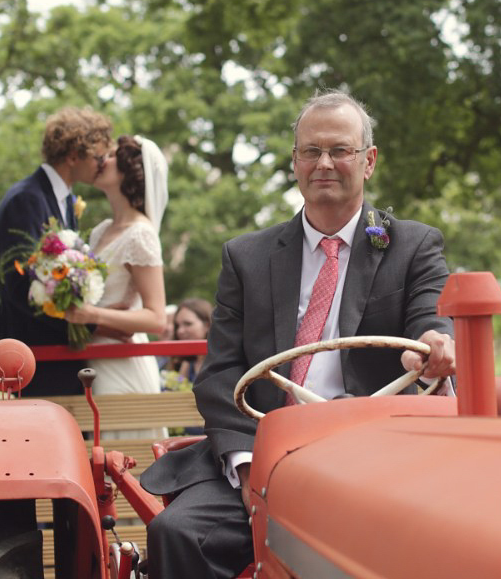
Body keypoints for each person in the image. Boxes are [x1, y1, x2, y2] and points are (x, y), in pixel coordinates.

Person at [141, 90, 457, 579]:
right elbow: (221, 371)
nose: (324, 163)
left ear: (368, 161)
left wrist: (435, 341)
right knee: (177, 533)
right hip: (268, 451)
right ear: (295, 163)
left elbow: (429, 319)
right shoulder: (246, 258)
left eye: (340, 150)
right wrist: (249, 466)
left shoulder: (412, 246)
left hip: (375, 452)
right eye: (311, 151)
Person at [0, 107, 116, 397]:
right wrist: (86, 324)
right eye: (98, 157)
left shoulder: (65, 201)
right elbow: (16, 283)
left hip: (59, 352)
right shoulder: (26, 199)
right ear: (73, 155)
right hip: (34, 355)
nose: (103, 164)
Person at [64, 135, 169, 428]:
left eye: (109, 156)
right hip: (93, 360)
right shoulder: (101, 231)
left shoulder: (141, 235)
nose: (100, 160)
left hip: (123, 364)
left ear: (129, 170)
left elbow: (156, 318)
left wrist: (91, 315)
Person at [163, 297, 212, 383]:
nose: (180, 331)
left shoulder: (222, 360)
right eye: (177, 325)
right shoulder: (187, 363)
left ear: (207, 326)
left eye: (188, 324)